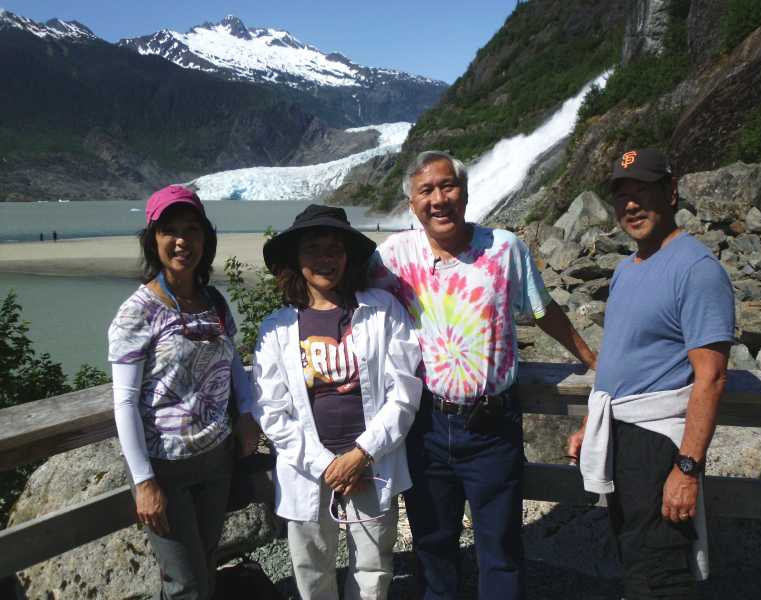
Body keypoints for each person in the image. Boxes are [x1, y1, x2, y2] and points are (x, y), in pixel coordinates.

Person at [370, 151, 597, 600]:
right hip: (426, 425)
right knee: (433, 546)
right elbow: (351, 300)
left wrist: (592, 358)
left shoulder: (504, 248)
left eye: (447, 186)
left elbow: (542, 309)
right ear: (413, 204)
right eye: (426, 190)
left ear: (466, 192)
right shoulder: (393, 256)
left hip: (492, 426)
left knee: (501, 549)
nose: (439, 199)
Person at [568, 148, 735, 599]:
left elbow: (712, 376)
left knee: (659, 571)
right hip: (621, 432)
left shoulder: (697, 270)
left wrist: (685, 469)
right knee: (634, 557)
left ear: (670, 191)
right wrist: (591, 419)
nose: (631, 205)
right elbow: (621, 355)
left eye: (642, 191)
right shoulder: (627, 269)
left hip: (657, 441)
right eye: (622, 195)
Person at [251, 205, 422, 600]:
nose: (325, 258)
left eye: (334, 248)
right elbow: (271, 411)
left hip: (372, 462)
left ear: (348, 257)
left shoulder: (382, 310)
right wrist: (329, 465)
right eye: (313, 248)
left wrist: (362, 453)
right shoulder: (276, 328)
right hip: (307, 466)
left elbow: (405, 390)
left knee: (373, 565)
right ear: (296, 258)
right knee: (311, 567)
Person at [108, 184, 260, 600]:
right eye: (169, 230)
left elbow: (233, 366)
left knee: (205, 562)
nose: (181, 241)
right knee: (185, 583)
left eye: (192, 229)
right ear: (152, 239)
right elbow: (123, 401)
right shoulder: (137, 311)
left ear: (205, 238)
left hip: (216, 457)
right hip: (165, 466)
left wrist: (246, 414)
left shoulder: (213, 301)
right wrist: (144, 482)